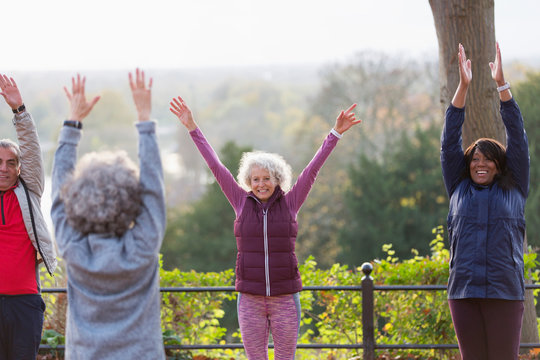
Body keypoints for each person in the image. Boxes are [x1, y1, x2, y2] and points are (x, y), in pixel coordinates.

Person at [170, 96, 361, 360]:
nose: (261, 184)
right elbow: (215, 166)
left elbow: (313, 169)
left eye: (267, 178)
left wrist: (335, 133)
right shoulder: (240, 202)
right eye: (256, 179)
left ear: (277, 179)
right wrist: (193, 128)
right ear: (248, 181)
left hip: (285, 298)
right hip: (250, 299)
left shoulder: (291, 203)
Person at [50, 70, 166, 359]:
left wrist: (72, 124)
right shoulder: (143, 247)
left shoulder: (73, 249)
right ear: (131, 200)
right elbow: (154, 189)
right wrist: (144, 119)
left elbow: (57, 193)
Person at [441, 43, 530, 360]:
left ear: (499, 164)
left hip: (504, 292)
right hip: (463, 292)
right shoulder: (458, 187)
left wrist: (501, 85)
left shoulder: (515, 187)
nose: (481, 164)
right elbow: (449, 140)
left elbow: (517, 138)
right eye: (475, 159)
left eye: (488, 159)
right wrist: (463, 87)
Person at [0, 74, 58, 359]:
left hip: (25, 302)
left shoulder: (29, 190)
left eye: (11, 163)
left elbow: (33, 151)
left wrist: (19, 110)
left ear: (19, 169)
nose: (4, 168)